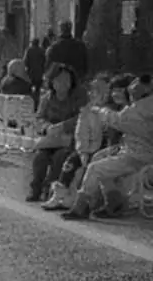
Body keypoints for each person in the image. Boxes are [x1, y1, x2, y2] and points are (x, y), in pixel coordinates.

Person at [62, 73, 153, 221]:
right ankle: (114, 202)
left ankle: (81, 207)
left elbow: (117, 120)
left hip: (139, 158)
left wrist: (99, 110)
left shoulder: (141, 109)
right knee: (100, 158)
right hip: (137, 152)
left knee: (95, 168)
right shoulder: (143, 106)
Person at [41, 72, 110, 211]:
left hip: (104, 150)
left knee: (89, 167)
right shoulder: (87, 111)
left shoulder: (110, 113)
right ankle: (60, 194)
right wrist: (82, 150)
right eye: (92, 91)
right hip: (86, 148)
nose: (93, 94)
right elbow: (80, 132)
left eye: (98, 92)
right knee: (70, 163)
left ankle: (80, 198)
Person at [27, 62, 83, 202]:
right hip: (51, 139)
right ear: (52, 81)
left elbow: (82, 117)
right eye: (59, 80)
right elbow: (39, 118)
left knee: (60, 157)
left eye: (66, 80)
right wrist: (47, 127)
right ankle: (36, 188)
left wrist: (63, 126)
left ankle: (50, 188)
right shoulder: (47, 98)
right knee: (40, 157)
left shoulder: (78, 97)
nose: (63, 84)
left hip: (70, 140)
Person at [24, 37, 46, 102]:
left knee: (29, 88)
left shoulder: (29, 50)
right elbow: (44, 61)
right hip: (39, 73)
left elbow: (25, 61)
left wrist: (27, 67)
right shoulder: (42, 50)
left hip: (31, 73)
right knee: (37, 89)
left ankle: (30, 101)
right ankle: (36, 101)